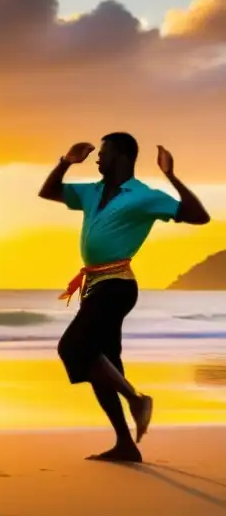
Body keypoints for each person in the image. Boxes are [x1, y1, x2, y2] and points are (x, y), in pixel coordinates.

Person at [39, 133, 210, 463]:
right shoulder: (92, 191)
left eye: (103, 154)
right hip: (93, 286)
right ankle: (125, 445)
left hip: (117, 286)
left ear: (122, 157)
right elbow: (49, 191)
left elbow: (197, 216)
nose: (98, 159)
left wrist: (170, 176)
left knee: (73, 348)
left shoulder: (144, 197)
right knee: (104, 365)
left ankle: (136, 399)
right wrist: (66, 162)